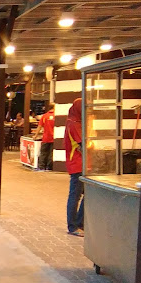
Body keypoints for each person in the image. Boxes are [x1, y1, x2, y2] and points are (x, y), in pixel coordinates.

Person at [65, 99, 84, 237]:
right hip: (77, 164)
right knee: (75, 195)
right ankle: (73, 226)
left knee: (86, 195)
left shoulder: (75, 122)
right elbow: (82, 146)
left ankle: (79, 222)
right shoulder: (74, 124)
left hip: (82, 164)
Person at [34, 103, 55, 170]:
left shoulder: (44, 116)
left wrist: (35, 135)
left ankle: (41, 167)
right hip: (54, 138)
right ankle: (49, 167)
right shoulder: (56, 116)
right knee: (51, 153)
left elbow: (39, 126)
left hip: (46, 137)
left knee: (43, 153)